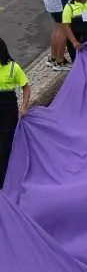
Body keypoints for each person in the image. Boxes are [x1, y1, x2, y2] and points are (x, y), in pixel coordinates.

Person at [0, 37, 29, 189]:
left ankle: (5, 182)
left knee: (5, 146)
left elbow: (26, 87)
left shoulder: (13, 67)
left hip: (8, 110)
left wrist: (23, 107)